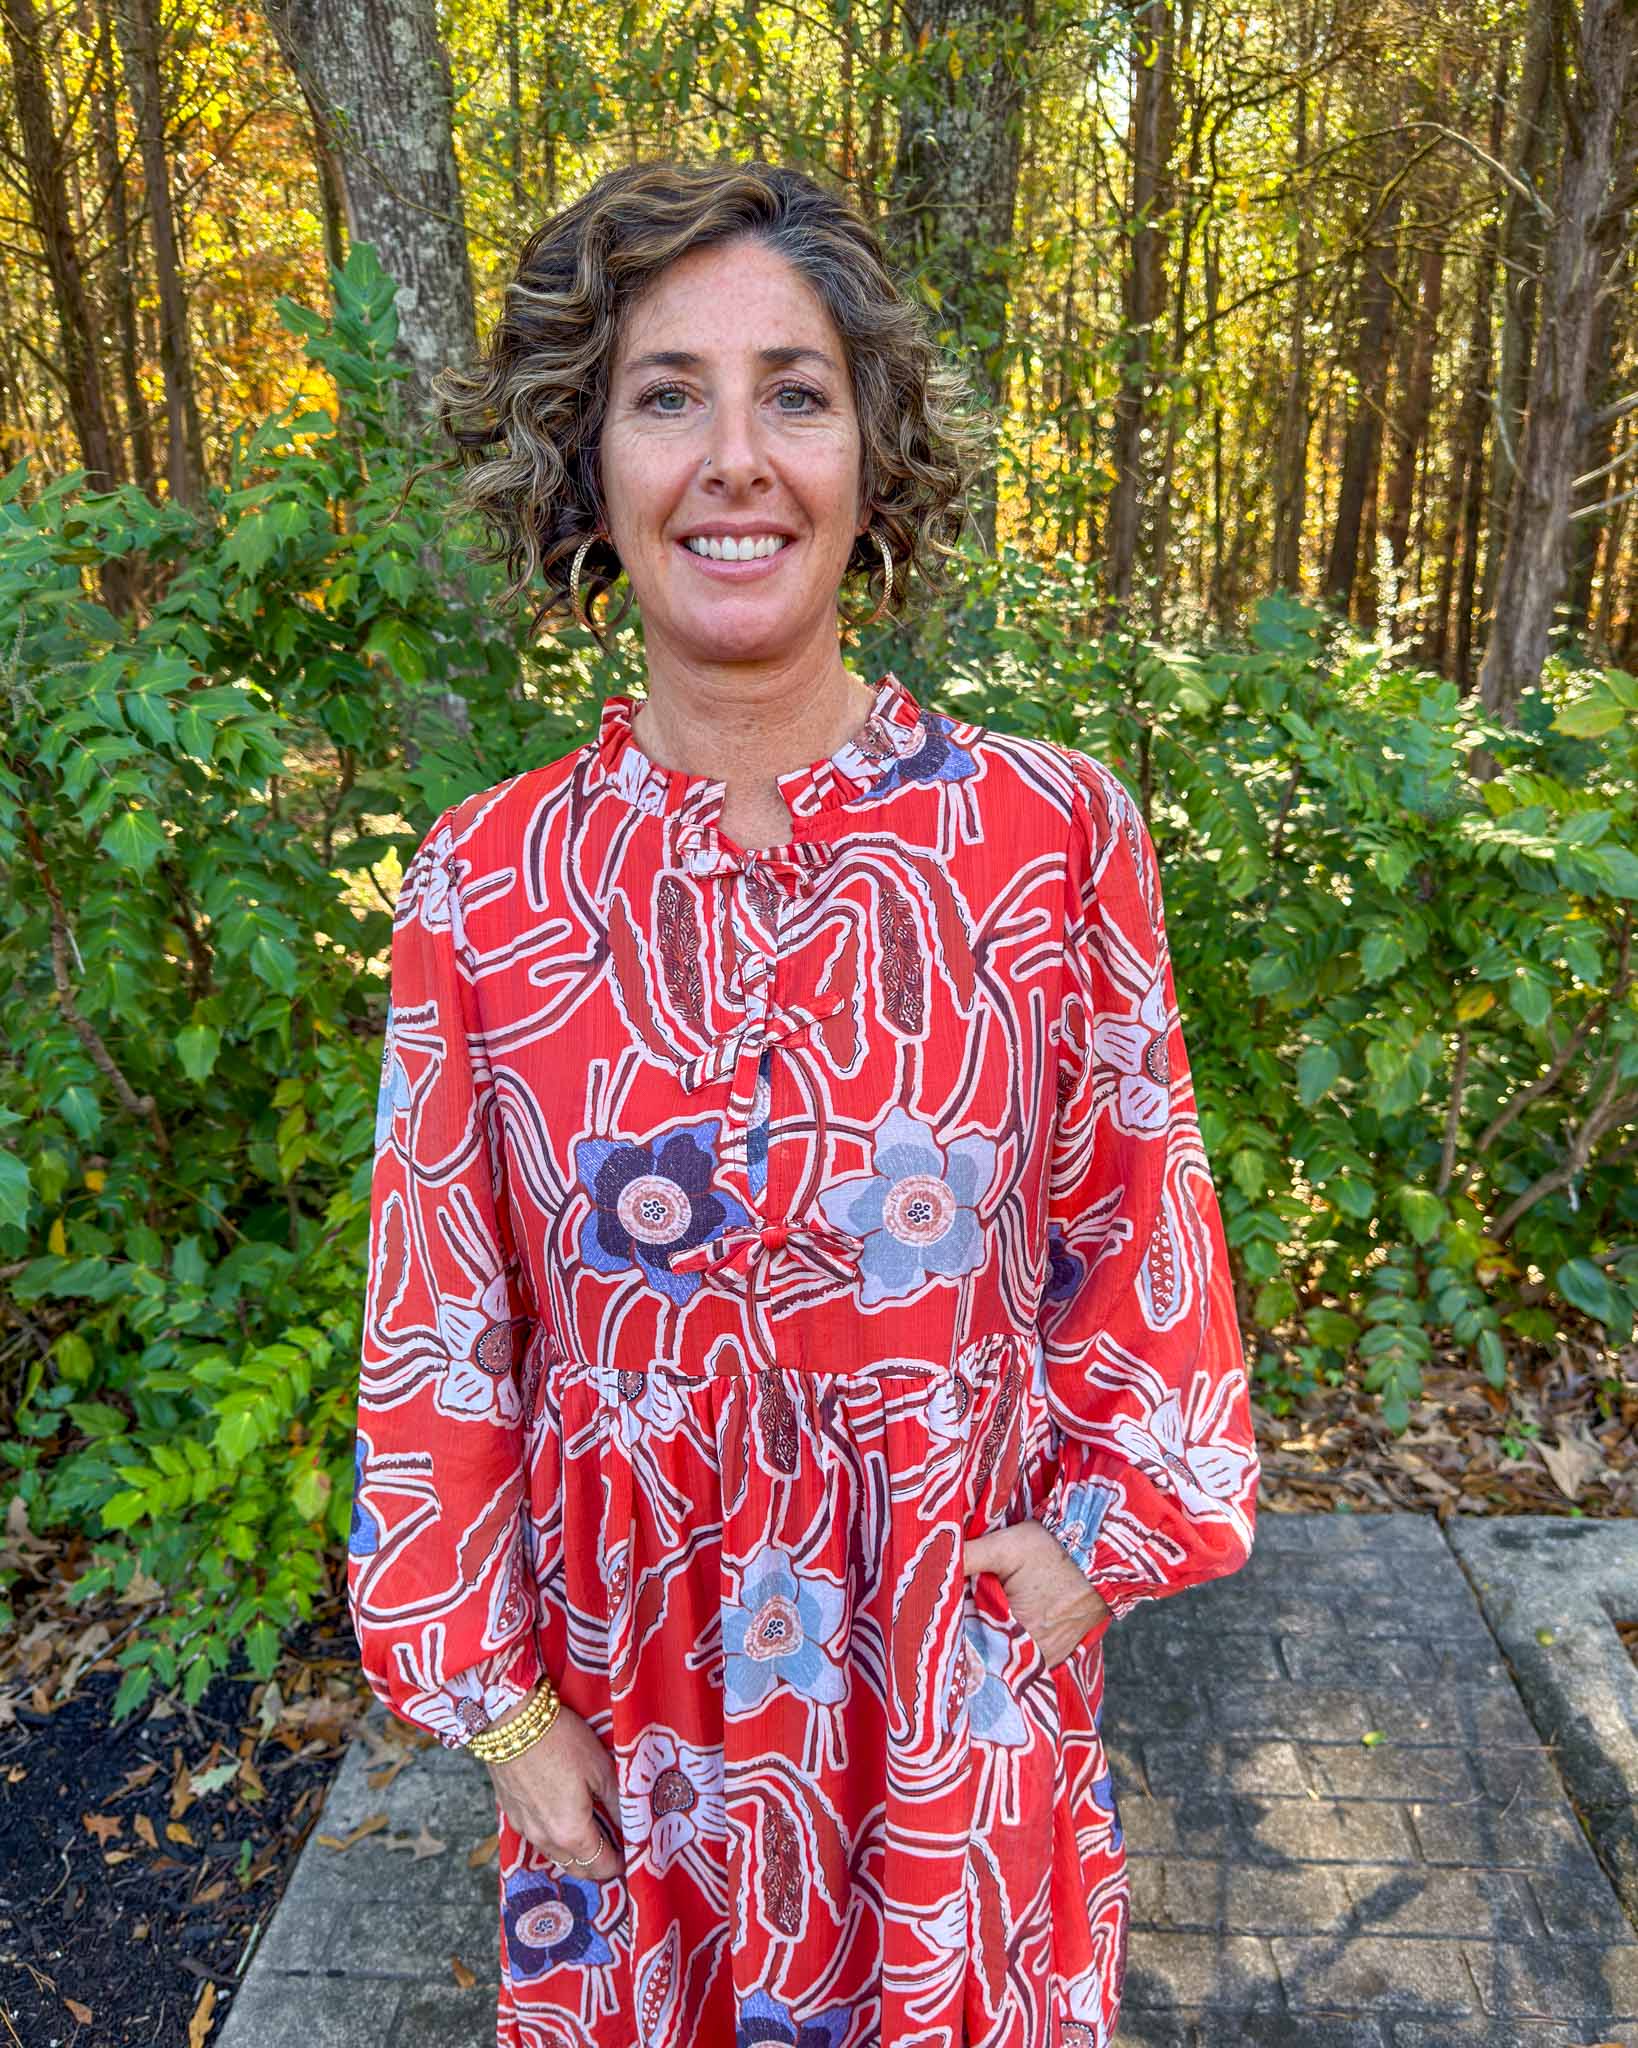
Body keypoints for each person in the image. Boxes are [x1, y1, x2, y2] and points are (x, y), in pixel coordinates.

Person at [346, 158, 1259, 2048]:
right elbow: (441, 1324)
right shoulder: (486, 888)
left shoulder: (1047, 840)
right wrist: (497, 1709)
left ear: (870, 453)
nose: (735, 460)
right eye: (666, 395)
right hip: (637, 1735)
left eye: (795, 394)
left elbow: (1136, 1224)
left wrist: (1098, 1542)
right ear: (587, 461)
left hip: (951, 1710)